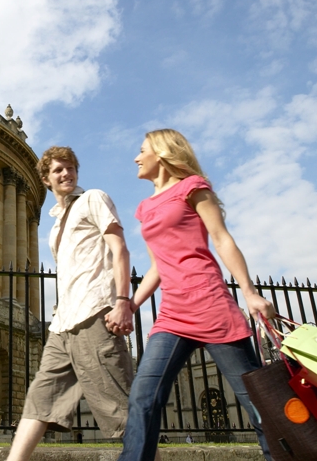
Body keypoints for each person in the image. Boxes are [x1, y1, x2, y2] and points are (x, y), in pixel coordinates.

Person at [117, 129, 276, 461]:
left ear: (160, 153)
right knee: (144, 396)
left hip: (210, 304)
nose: (136, 157)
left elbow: (221, 239)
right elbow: (158, 265)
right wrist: (131, 305)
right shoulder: (144, 208)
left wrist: (249, 292)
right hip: (172, 315)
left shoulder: (193, 187)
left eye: (141, 150)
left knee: (258, 402)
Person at [6, 146, 135, 461]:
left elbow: (120, 249)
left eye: (70, 168)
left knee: (119, 409)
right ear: (46, 179)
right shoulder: (54, 224)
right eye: (58, 170)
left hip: (94, 314)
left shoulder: (93, 198)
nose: (66, 174)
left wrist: (122, 301)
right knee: (39, 398)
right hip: (62, 324)